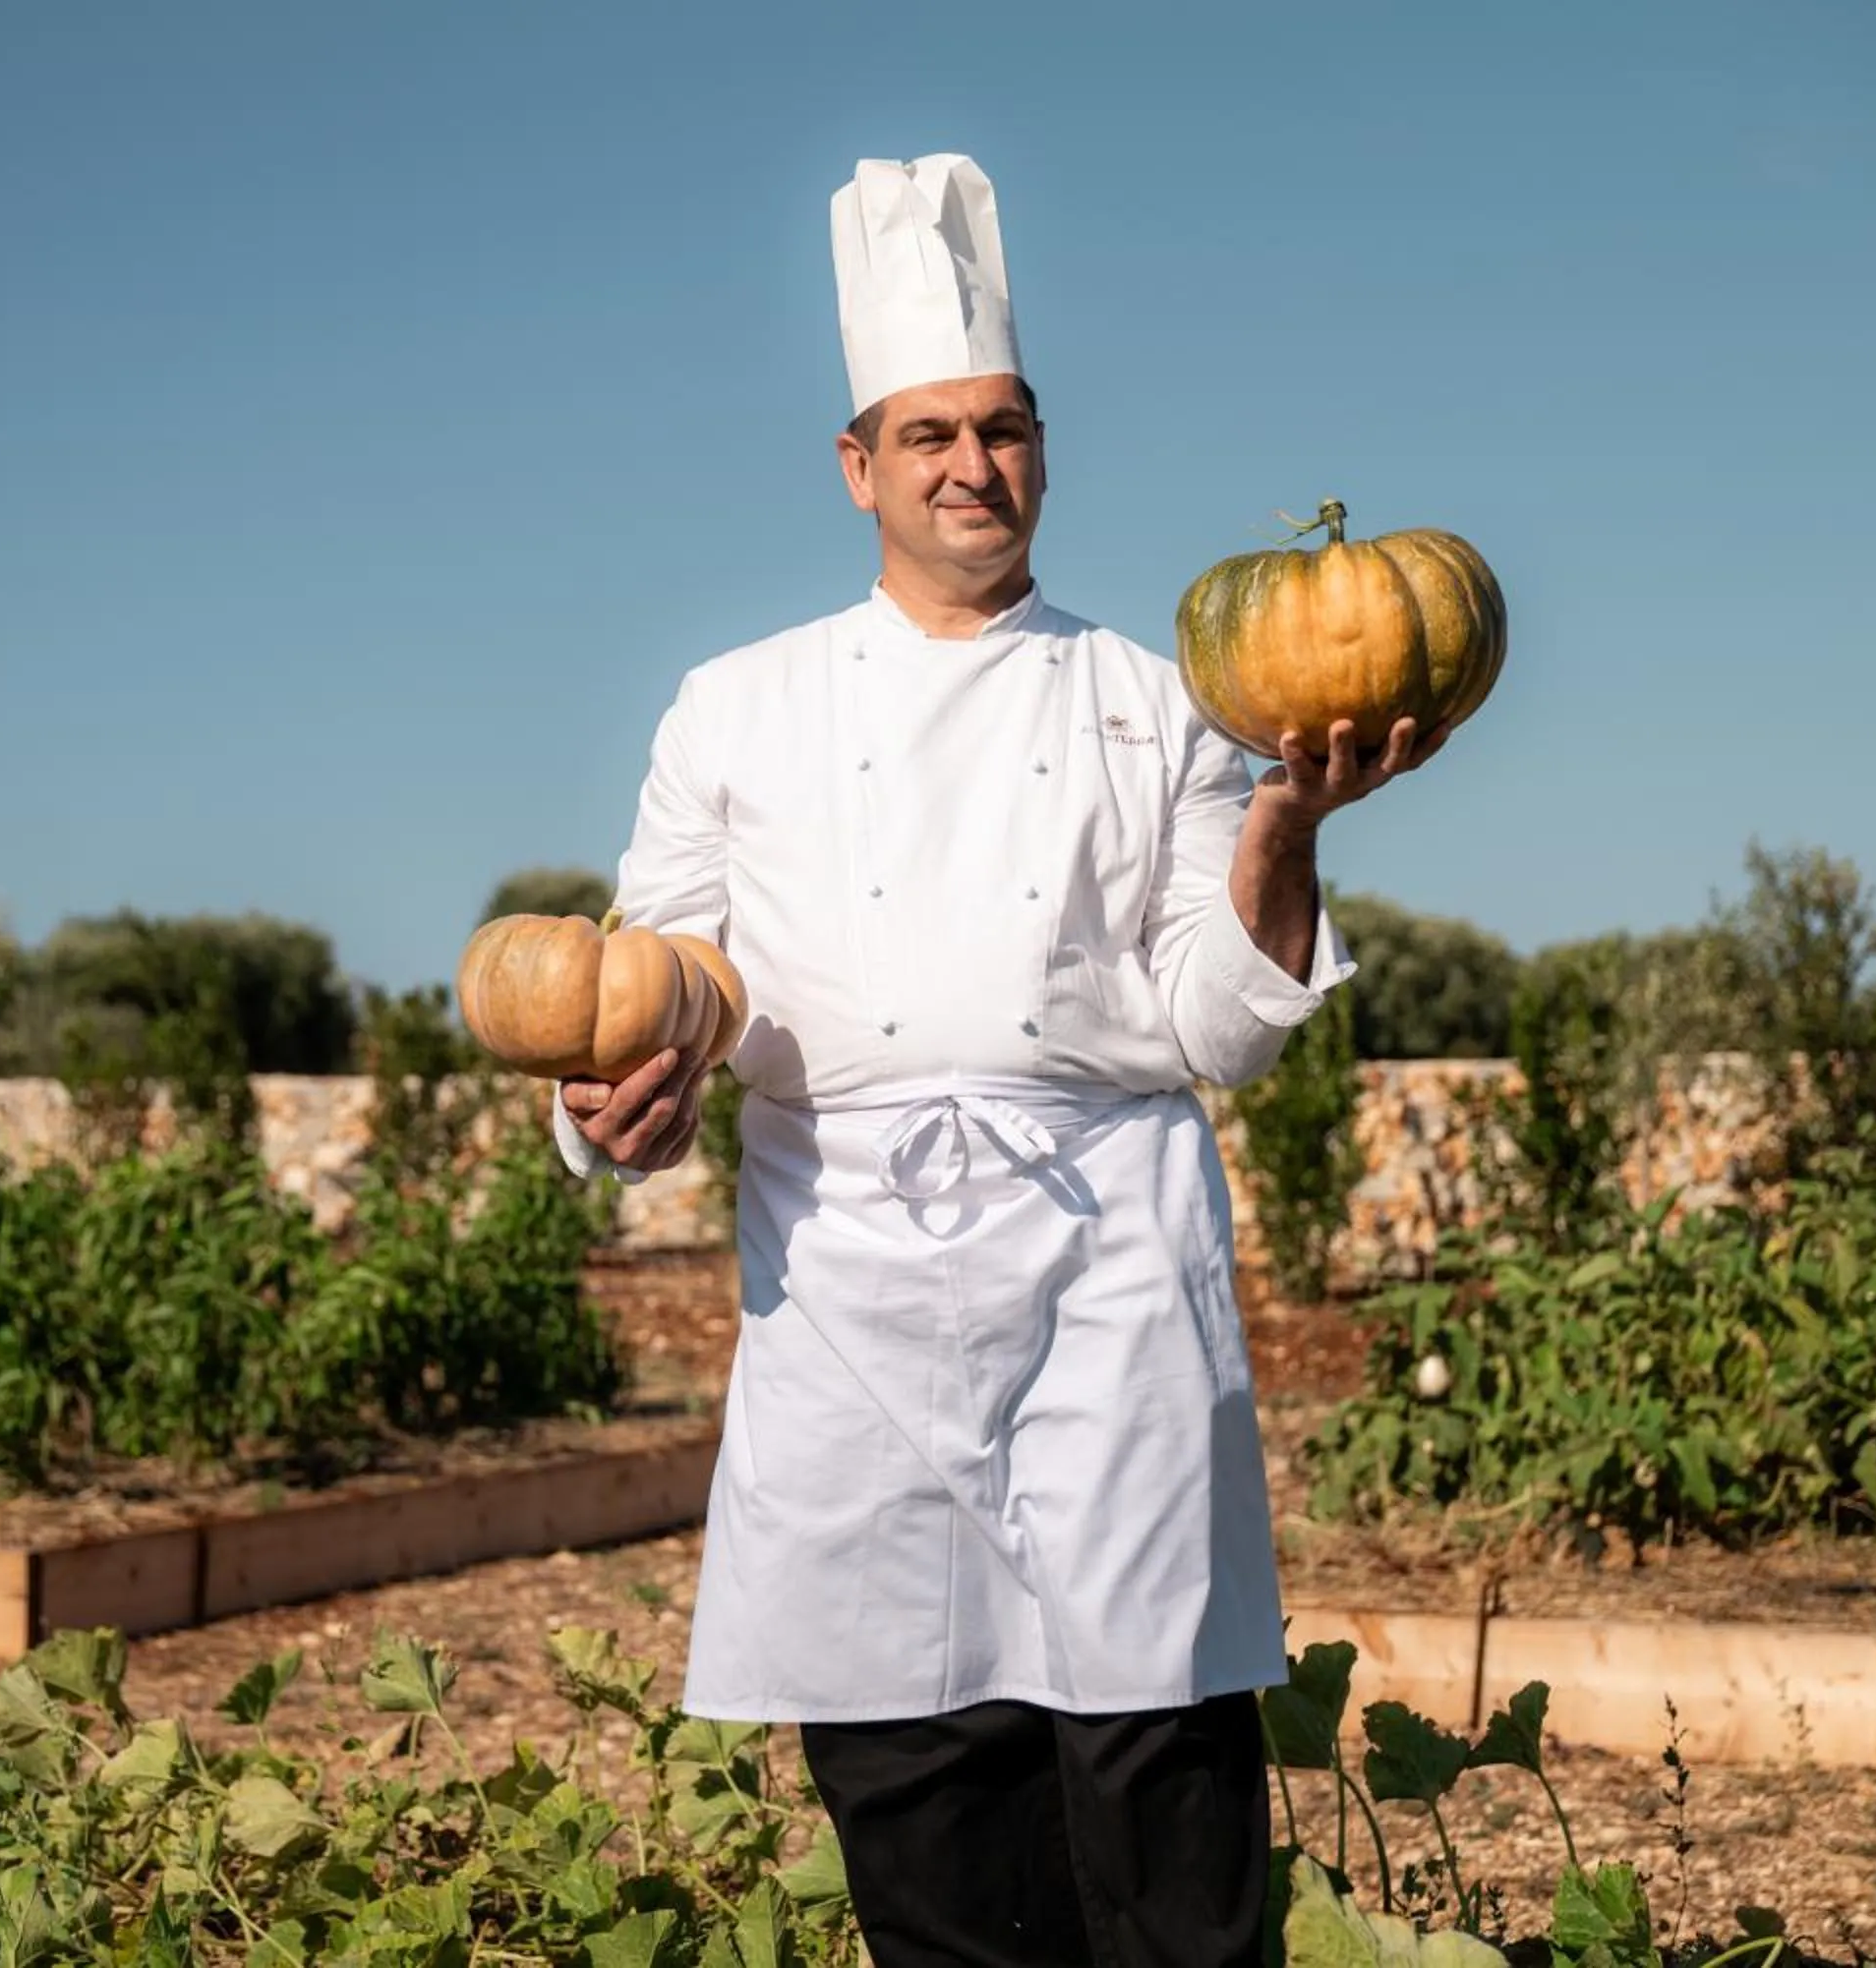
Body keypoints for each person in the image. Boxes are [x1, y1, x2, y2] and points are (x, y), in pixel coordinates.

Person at [551, 153, 1441, 1968]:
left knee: (1164, 1788)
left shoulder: (1163, 699)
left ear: (1044, 449)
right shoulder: (735, 707)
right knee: (922, 1803)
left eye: (1006, 428)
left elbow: (1219, 1026)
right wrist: (619, 1098)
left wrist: (1285, 824)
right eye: (932, 433)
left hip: (1109, 1280)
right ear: (858, 464)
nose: (974, 464)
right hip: (848, 1296)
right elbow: (659, 983)